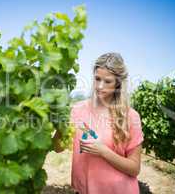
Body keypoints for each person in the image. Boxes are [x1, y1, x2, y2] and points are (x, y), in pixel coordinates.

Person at [53, 52, 144, 194]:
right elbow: (57, 148)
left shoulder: (131, 116)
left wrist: (103, 151)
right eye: (97, 79)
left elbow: (134, 169)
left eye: (107, 81)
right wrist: (60, 126)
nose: (100, 86)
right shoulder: (77, 110)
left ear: (118, 84)